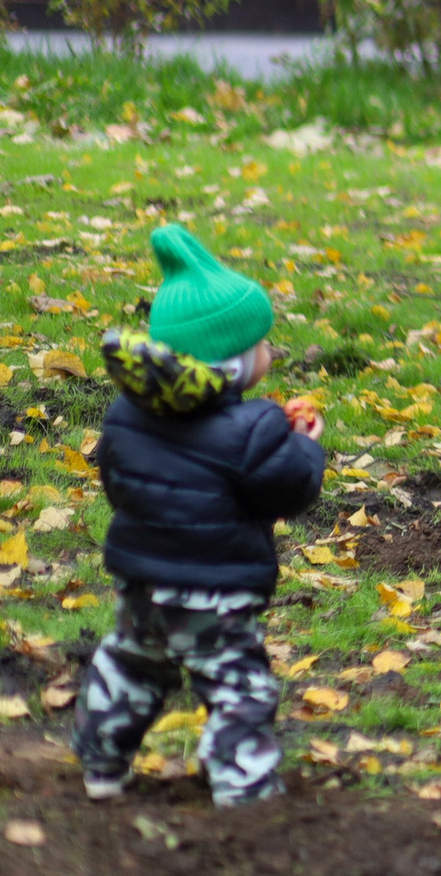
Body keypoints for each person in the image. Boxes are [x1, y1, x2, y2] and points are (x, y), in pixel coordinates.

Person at [75, 226, 326, 808]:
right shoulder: (253, 429)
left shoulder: (125, 415)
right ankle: (245, 788)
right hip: (213, 593)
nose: (271, 352)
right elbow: (288, 490)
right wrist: (306, 445)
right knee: (237, 686)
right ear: (235, 362)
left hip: (141, 582)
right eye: (263, 343)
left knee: (132, 668)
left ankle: (101, 767)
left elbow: (118, 481)